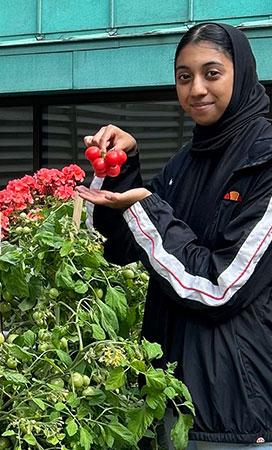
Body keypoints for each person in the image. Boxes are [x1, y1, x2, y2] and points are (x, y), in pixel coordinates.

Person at [76, 23, 272, 447]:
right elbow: (123, 250)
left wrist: (145, 205)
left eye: (211, 73)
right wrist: (123, 168)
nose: (196, 88)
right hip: (167, 403)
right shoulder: (187, 161)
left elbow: (219, 286)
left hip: (235, 419)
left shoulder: (265, 162)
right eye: (184, 77)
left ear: (243, 73)